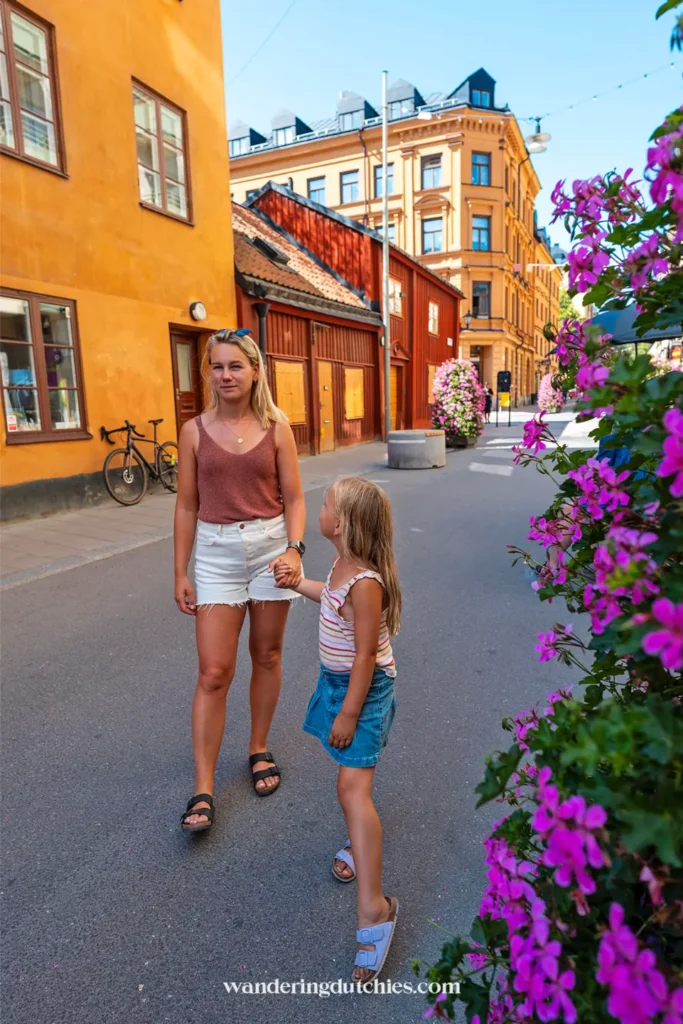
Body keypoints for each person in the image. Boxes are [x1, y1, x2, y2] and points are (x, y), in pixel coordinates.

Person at [174, 328, 306, 832]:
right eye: (217, 366)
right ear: (208, 372)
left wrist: (294, 549)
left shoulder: (277, 426)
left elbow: (295, 498)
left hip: (271, 549)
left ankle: (258, 747)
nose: (226, 375)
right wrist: (180, 571)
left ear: (254, 371)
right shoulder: (193, 431)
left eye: (235, 366)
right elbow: (186, 505)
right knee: (214, 671)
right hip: (215, 554)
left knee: (267, 654)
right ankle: (203, 786)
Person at [274, 477, 401, 983]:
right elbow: (328, 597)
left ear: (342, 523)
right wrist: (297, 584)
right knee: (353, 785)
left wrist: (349, 713)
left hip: (363, 692)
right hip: (340, 683)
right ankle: (358, 840)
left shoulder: (366, 583)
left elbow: (366, 657)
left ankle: (375, 909)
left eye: (325, 504)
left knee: (351, 786)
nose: (319, 509)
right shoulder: (341, 566)